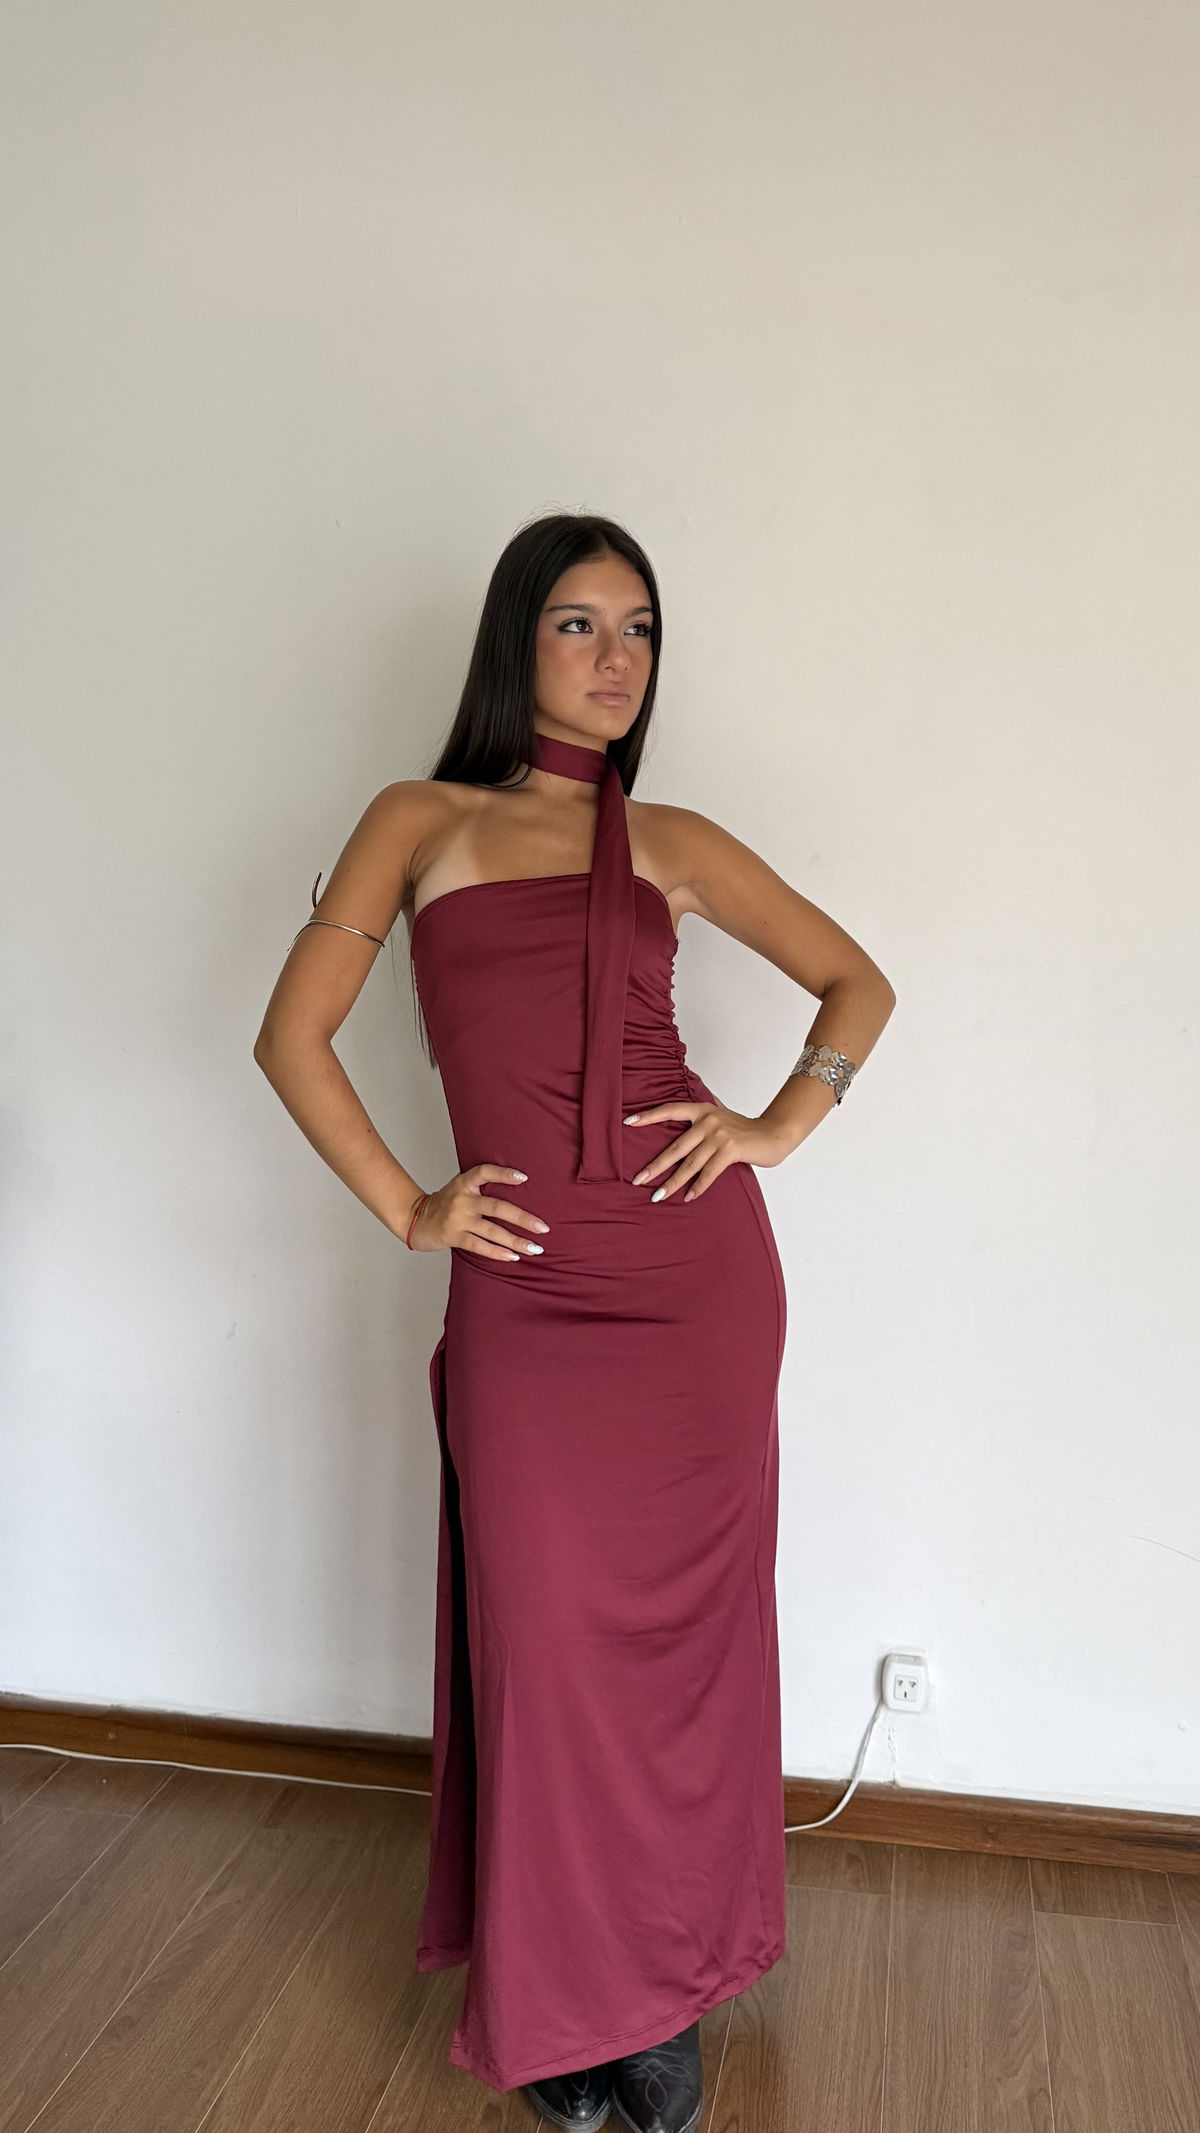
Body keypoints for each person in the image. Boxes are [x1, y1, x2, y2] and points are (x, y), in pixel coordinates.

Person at [253, 512, 895, 2133]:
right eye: (579, 624)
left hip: (693, 1287)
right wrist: (413, 1207)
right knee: (545, 1646)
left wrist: (773, 1125)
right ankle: (560, 1995)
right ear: (514, 640)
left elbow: (859, 983)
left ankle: (661, 1995)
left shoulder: (670, 839)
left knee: (685, 1649)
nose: (617, 659)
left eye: (640, 629)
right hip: (527, 1291)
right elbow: (291, 1037)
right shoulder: (420, 819)